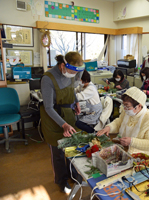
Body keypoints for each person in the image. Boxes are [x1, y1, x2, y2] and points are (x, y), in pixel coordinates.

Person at [40, 52, 85, 193]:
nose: (73, 75)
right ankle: (61, 180)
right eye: (72, 72)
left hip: (68, 114)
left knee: (72, 146)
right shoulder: (48, 79)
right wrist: (63, 124)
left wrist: (76, 102)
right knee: (58, 151)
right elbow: (48, 107)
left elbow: (72, 90)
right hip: (53, 118)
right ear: (62, 66)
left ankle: (72, 173)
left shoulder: (70, 74)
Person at [96, 87, 149, 158]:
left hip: (140, 155)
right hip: (124, 148)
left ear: (139, 106)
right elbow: (119, 122)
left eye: (127, 106)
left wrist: (132, 142)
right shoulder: (128, 112)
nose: (125, 109)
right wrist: (109, 127)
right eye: (124, 105)